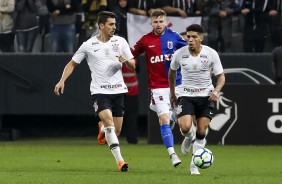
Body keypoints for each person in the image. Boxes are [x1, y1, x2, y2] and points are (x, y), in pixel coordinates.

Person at [54, 11, 135, 172]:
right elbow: (72, 64)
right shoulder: (88, 45)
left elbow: (133, 65)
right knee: (110, 123)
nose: (114, 27)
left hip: (118, 90)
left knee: (116, 131)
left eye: (115, 24)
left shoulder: (120, 41)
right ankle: (120, 161)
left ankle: (102, 128)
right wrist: (62, 80)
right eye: (111, 24)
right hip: (99, 91)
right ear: (101, 26)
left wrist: (126, 62)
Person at [131, 9, 187, 167]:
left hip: (178, 85)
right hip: (158, 87)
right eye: (155, 22)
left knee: (186, 125)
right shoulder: (145, 40)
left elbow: (190, 51)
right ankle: (173, 154)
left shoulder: (175, 37)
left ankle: (185, 135)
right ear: (151, 23)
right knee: (163, 119)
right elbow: (132, 54)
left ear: (166, 21)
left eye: (161, 21)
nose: (158, 24)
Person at [168, 24, 225, 174]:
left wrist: (217, 90)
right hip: (186, 95)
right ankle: (188, 137)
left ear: (201, 38)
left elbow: (221, 77)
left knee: (201, 130)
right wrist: (172, 94)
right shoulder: (179, 54)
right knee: (186, 127)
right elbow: (172, 74)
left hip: (206, 96)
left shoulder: (211, 53)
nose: (190, 40)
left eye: (194, 37)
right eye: (188, 36)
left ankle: (194, 165)